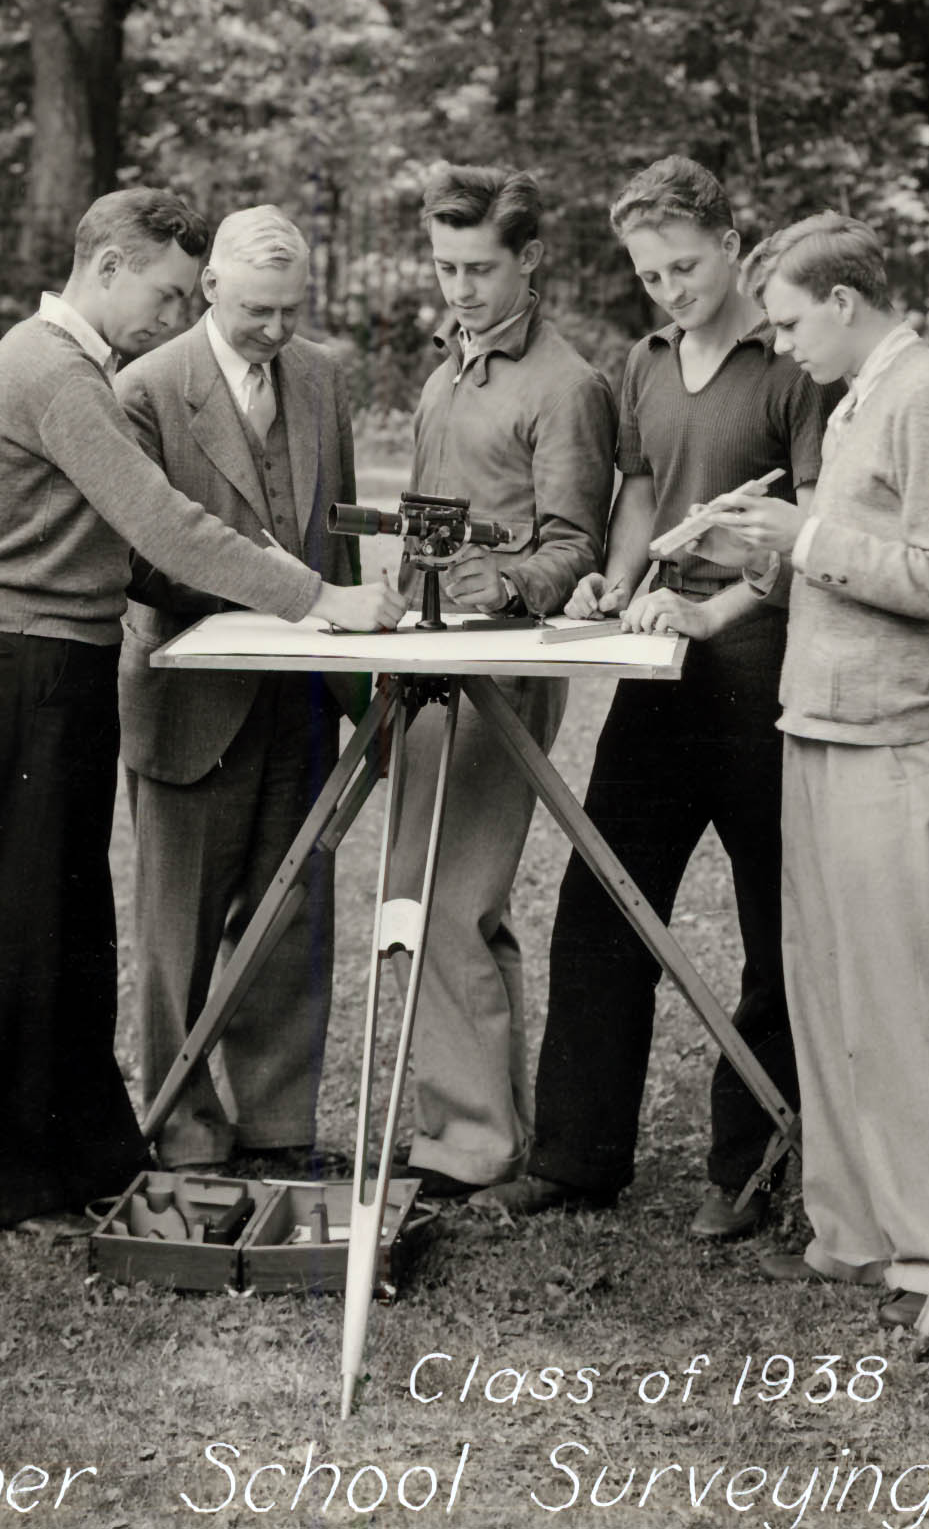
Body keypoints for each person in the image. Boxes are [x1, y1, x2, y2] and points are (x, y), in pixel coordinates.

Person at [0, 190, 393, 1235]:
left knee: (67, 930)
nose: (173, 314)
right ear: (106, 268)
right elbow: (162, 522)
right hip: (26, 669)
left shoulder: (73, 364)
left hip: (63, 664)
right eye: (167, 292)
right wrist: (315, 597)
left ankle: (83, 1156)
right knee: (22, 933)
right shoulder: (56, 371)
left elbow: (132, 554)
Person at [480, 158, 827, 1239]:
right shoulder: (644, 361)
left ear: (731, 245)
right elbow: (636, 498)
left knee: (776, 926)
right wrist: (615, 582)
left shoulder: (792, 363)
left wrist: (715, 604)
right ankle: (577, 1157)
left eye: (684, 267)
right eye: (649, 275)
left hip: (762, 667)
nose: (670, 290)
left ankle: (749, 1167)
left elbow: (811, 536)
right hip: (657, 664)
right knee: (603, 903)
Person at [702, 212, 929, 1330]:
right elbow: (837, 563)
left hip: (894, 738)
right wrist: (755, 551)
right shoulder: (854, 397)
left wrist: (807, 538)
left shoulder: (926, 397)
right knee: (825, 988)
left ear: (843, 300)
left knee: (899, 999)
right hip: (820, 721)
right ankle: (854, 1233)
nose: (780, 347)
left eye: (787, 324)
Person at [114, 205, 380, 1176]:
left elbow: (338, 540)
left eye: (290, 310)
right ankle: (183, 1130)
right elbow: (140, 558)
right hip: (191, 699)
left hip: (302, 698)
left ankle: (278, 1127)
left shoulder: (321, 378)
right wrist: (272, 596)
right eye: (256, 310)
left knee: (293, 912)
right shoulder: (144, 389)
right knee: (178, 933)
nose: (275, 329)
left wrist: (353, 675)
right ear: (210, 287)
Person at [378, 164, 615, 1199]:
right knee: (437, 898)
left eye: (479, 268)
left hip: (500, 670)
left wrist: (505, 585)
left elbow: (575, 544)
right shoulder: (448, 371)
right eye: (445, 267)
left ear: (530, 260)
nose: (460, 288)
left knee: (444, 900)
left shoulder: (567, 385)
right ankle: (478, 1127)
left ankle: (468, 1146)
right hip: (423, 664)